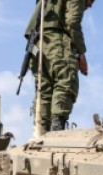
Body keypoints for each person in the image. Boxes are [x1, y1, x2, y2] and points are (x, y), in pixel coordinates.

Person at [25, 0, 93, 131]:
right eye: (88, 4)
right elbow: (72, 22)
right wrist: (81, 52)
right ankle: (57, 129)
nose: (87, 8)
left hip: (37, 43)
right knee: (65, 81)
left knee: (43, 89)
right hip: (56, 42)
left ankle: (41, 131)